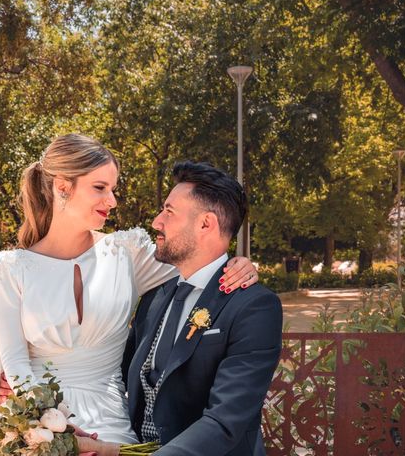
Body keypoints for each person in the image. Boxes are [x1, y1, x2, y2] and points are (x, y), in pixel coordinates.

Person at [0, 134, 259, 455]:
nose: (112, 201)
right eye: (100, 188)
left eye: (113, 189)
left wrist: (240, 265)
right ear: (63, 186)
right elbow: (15, 361)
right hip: (42, 425)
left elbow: (199, 261)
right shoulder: (11, 268)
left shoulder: (126, 252)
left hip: (112, 421)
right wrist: (52, 429)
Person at [109, 161, 281, 455]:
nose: (156, 222)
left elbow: (225, 421)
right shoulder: (154, 298)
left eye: (169, 211)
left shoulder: (254, 307)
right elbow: (118, 376)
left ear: (206, 224)